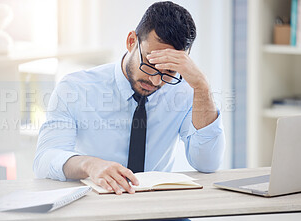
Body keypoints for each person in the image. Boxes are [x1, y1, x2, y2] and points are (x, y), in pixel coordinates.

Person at [34, 1, 225, 196]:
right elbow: (44, 160)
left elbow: (207, 163)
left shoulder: (184, 91)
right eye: (150, 63)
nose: (155, 80)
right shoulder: (75, 88)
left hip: (159, 207)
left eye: (169, 70)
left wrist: (202, 86)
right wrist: (89, 164)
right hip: (97, 204)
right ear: (131, 41)